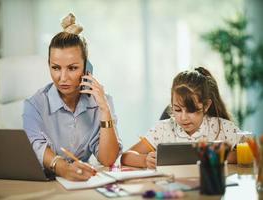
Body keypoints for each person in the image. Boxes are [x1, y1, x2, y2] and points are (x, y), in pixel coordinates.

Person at [23, 13, 122, 181]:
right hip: (45, 183)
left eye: (72, 68)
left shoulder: (102, 102)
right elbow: (36, 147)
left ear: (86, 69)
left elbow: (108, 159)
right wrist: (64, 168)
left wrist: (105, 110)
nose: (62, 78)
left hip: (81, 182)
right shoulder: (34, 104)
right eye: (55, 68)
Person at [121, 67, 241, 169]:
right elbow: (125, 156)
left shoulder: (223, 128)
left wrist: (222, 155)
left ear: (206, 106)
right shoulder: (163, 130)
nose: (183, 117)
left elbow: (251, 153)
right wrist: (144, 160)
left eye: (191, 110)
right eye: (177, 109)